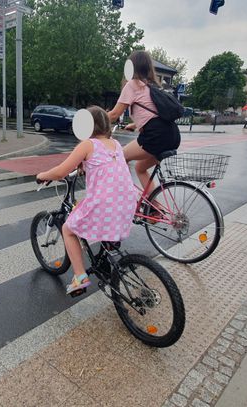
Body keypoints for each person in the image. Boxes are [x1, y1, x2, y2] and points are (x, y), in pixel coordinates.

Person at [36, 106, 136, 295]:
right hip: (127, 202)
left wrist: (42, 175)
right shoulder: (115, 144)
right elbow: (104, 164)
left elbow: (60, 172)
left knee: (68, 229)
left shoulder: (87, 145)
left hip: (104, 203)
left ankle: (80, 277)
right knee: (97, 212)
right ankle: (106, 260)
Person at [107, 50, 181, 195]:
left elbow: (115, 114)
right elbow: (155, 114)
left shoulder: (132, 85)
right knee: (140, 168)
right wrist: (134, 125)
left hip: (155, 136)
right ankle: (154, 209)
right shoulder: (152, 86)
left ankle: (124, 196)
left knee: (121, 156)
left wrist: (93, 122)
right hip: (172, 135)